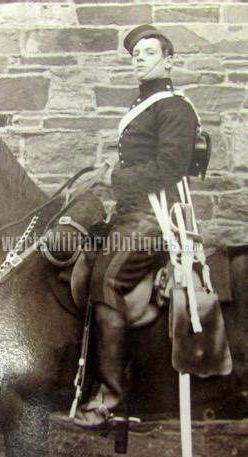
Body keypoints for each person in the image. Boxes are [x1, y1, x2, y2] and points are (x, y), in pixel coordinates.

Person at [70, 25, 199, 428]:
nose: (138, 58)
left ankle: (109, 396)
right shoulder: (142, 105)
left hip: (156, 217)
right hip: (130, 214)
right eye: (135, 54)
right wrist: (105, 173)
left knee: (106, 279)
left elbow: (169, 168)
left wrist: (115, 179)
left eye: (147, 52)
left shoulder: (175, 107)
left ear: (168, 60)